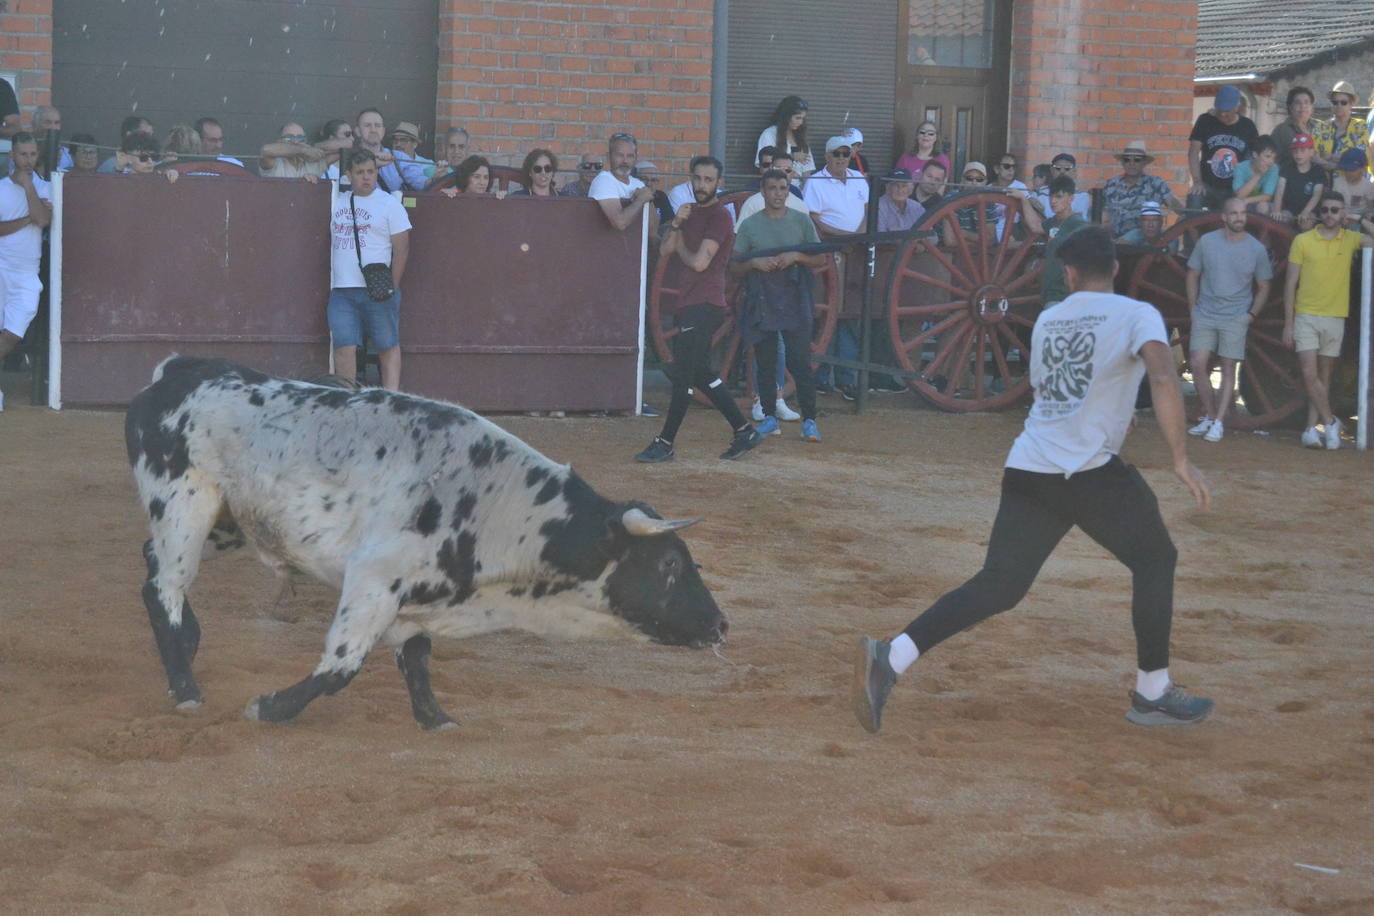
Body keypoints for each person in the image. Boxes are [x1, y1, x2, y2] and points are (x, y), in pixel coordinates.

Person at [854, 226, 1214, 735]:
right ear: (1114, 268)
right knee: (1156, 558)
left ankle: (891, 657)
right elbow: (1161, 376)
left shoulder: (1048, 320)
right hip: (1088, 474)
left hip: (1030, 468)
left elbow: (1059, 393)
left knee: (999, 585)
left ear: (1067, 274)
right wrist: (1181, 457)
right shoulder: (1138, 314)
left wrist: (1113, 416)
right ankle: (1153, 690)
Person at [634, 156, 763, 463]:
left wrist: (679, 243)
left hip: (705, 304)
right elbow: (665, 249)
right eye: (698, 179)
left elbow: (700, 262)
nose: (702, 185)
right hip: (691, 302)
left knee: (683, 375)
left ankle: (665, 441)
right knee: (702, 374)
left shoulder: (720, 217)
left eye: (708, 180)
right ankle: (744, 431)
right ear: (691, 180)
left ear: (719, 183)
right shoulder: (689, 214)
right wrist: (677, 222)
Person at [732, 169, 829, 442]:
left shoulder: (801, 221)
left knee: (799, 360)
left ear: (788, 191)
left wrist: (797, 256)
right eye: (772, 188)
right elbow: (735, 266)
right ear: (763, 192)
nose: (777, 193)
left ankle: (809, 419)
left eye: (782, 188)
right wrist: (753, 263)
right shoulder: (751, 225)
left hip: (794, 294)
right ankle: (769, 416)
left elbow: (819, 259)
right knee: (766, 360)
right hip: (762, 295)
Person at [1283, 191, 1374, 449]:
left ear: (1342, 213)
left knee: (1324, 378)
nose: (1330, 215)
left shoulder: (1351, 239)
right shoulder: (1303, 240)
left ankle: (1312, 429)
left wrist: (1357, 218)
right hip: (1306, 315)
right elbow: (1290, 284)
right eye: (1325, 210)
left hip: (1335, 316)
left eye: (1335, 210)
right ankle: (1331, 421)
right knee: (1310, 374)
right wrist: (1289, 323)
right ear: (1319, 213)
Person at [1184, 197, 1273, 442]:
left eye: (1243, 213)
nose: (1239, 218)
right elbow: (1192, 274)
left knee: (1228, 366)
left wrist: (1250, 315)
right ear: (1224, 217)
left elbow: (1265, 286)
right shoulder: (1207, 242)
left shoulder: (1255, 248)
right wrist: (1193, 308)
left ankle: (1219, 422)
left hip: (1236, 315)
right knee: (1197, 362)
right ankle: (1211, 416)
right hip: (1206, 312)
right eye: (1233, 213)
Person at [327, 149, 411, 390]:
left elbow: (402, 249)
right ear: (348, 176)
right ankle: (348, 399)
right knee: (344, 345)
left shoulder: (389, 204)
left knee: (387, 344)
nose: (366, 177)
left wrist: (392, 287)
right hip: (342, 288)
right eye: (360, 172)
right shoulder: (335, 201)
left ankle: (392, 396)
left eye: (371, 172)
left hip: (378, 286)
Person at [803, 136, 869, 399]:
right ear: (827, 156)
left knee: (850, 315)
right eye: (836, 154)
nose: (841, 158)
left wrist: (859, 237)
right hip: (830, 253)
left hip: (857, 251)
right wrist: (841, 239)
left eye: (845, 153)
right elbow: (813, 218)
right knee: (827, 314)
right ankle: (821, 377)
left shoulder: (858, 179)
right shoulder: (816, 182)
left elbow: (867, 211)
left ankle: (846, 378)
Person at [0, 134, 53, 372]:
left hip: (26, 273)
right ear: (12, 155)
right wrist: (27, 219)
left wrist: (29, 186)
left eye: (32, 154)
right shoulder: (1, 188)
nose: (28, 159)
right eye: (23, 154)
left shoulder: (46, 187)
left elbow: (42, 220)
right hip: (1, 266)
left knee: (13, 334)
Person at [1018, 176, 1091, 307]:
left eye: (1059, 197)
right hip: (1049, 294)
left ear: (1071, 198)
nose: (1053, 201)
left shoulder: (1080, 226)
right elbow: (1035, 226)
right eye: (1051, 196)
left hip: (1066, 297)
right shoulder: (1053, 222)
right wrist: (1023, 199)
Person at [1188, 85, 1258, 210]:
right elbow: (1193, 152)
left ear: (1237, 107)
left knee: (1250, 209)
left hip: (1236, 189)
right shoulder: (1205, 120)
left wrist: (1247, 185)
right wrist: (1197, 181)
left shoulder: (1248, 126)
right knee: (1194, 198)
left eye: (1227, 110)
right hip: (1208, 185)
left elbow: (1255, 157)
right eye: (1220, 110)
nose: (1223, 114)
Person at [1101, 140, 1182, 239]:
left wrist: (1173, 230)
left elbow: (1177, 207)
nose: (1132, 163)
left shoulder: (1156, 184)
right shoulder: (1111, 184)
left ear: (1144, 163)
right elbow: (1104, 215)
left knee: (1136, 233)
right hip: (1114, 239)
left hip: (1144, 241)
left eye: (1137, 160)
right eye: (1127, 159)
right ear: (1122, 163)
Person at [590, 133, 657, 233]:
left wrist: (649, 199)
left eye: (630, 156)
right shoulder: (603, 180)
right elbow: (619, 223)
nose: (625, 161)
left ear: (636, 158)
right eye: (620, 155)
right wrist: (641, 200)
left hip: (635, 247)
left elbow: (651, 230)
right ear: (608, 157)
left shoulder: (639, 184)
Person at [355, 108, 426, 193]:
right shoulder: (348, 158)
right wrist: (373, 164)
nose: (373, 130)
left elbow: (422, 183)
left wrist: (437, 177)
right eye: (367, 125)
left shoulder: (398, 157)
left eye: (377, 126)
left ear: (383, 131)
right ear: (358, 131)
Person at [1315, 81, 1368, 175]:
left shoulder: (1360, 126)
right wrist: (1344, 159)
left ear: (1351, 104)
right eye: (1335, 102)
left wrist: (1330, 159)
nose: (1339, 105)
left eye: (1343, 102)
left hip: (1350, 185)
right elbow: (1312, 155)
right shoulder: (1321, 127)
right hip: (1323, 184)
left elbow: (1360, 158)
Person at [1275, 133, 1325, 229]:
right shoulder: (1287, 167)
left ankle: (1305, 244)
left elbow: (1317, 194)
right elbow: (1280, 189)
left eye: (1302, 150)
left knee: (1306, 222)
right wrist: (1277, 210)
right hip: (1289, 209)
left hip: (1310, 210)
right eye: (1295, 151)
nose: (1298, 154)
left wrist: (1306, 211)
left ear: (1312, 152)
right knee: (1281, 220)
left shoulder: (1318, 170)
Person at [1270, 86, 1328, 168]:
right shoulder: (1281, 131)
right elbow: (1273, 160)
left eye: (1306, 102)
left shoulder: (1322, 127)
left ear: (1312, 107)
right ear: (1290, 107)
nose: (1302, 106)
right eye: (1297, 103)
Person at [756, 96, 814, 178]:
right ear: (786, 117)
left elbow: (808, 169)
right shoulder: (769, 134)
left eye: (803, 119)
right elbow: (765, 164)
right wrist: (792, 156)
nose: (800, 122)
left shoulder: (800, 137)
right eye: (797, 118)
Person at [259, 121, 333, 180]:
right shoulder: (275, 162)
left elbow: (343, 146)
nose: (295, 142)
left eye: (300, 138)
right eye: (289, 137)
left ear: (306, 141)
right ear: (279, 141)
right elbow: (265, 150)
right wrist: (304, 150)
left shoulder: (316, 163)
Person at [1230, 135, 1280, 215]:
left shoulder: (1274, 168)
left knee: (1263, 206)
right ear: (1255, 154)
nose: (1271, 161)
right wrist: (1258, 175)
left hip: (1260, 204)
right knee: (1237, 205)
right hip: (1241, 204)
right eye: (1268, 156)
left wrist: (1247, 200)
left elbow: (1267, 196)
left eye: (1273, 158)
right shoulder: (1240, 167)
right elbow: (1239, 196)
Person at [1034, 154, 1091, 220]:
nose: (1062, 171)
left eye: (1067, 168)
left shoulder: (1084, 197)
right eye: (1058, 168)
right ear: (1052, 170)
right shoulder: (1038, 195)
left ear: (1074, 171)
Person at [992, 153, 1028, 241]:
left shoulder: (1020, 187)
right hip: (991, 232)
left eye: (1013, 167)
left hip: (1013, 231)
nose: (1011, 170)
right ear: (996, 169)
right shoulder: (988, 188)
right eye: (1007, 166)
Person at [877, 168, 923, 233]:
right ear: (888, 188)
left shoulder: (917, 207)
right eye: (896, 185)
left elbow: (933, 239)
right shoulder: (879, 206)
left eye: (904, 186)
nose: (900, 190)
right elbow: (879, 238)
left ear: (910, 189)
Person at [440, 155, 505, 198]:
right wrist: (442, 194)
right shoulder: (455, 194)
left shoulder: (491, 198)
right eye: (477, 177)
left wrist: (503, 198)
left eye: (486, 177)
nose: (482, 182)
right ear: (465, 177)